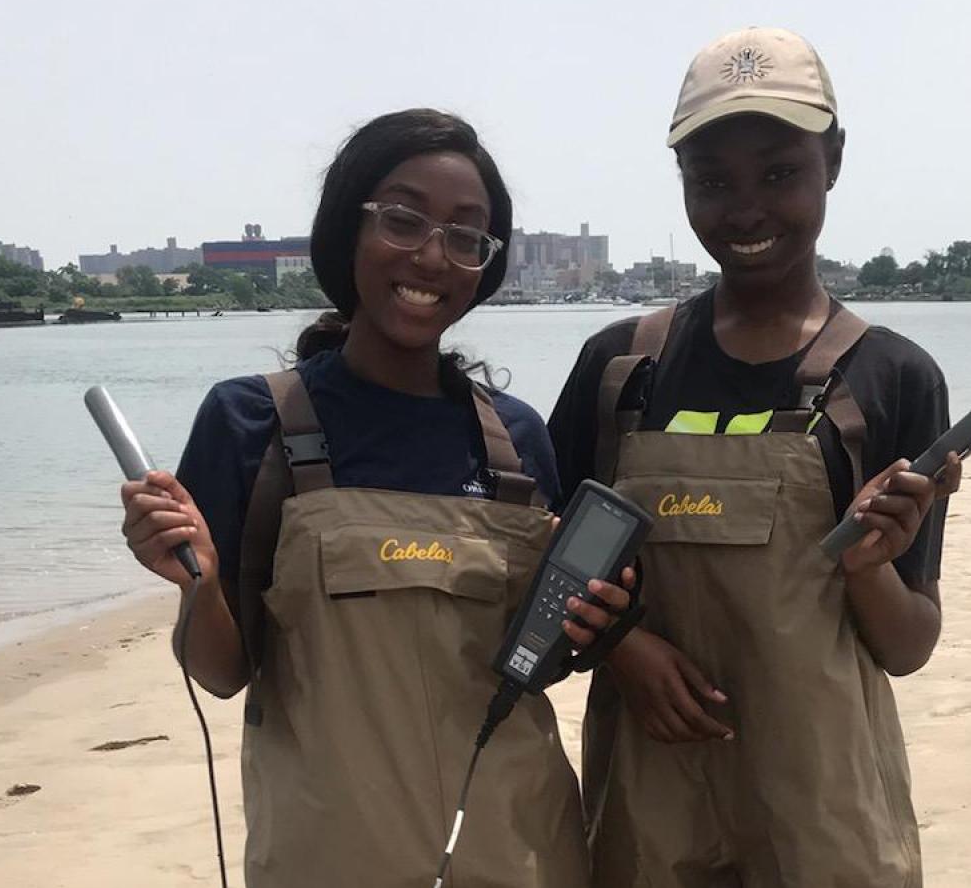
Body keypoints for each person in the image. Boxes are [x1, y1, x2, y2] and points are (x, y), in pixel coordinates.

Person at [119, 109, 633, 888]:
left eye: (467, 235)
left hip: (522, 851)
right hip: (325, 856)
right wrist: (197, 583)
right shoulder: (251, 422)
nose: (432, 256)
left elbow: (538, 669)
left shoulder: (517, 441)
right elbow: (223, 673)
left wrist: (591, 627)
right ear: (347, 230)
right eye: (402, 220)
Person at [547, 29, 963, 888]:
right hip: (647, 806)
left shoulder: (893, 377)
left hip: (824, 808)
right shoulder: (618, 368)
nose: (745, 209)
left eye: (779, 172)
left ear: (833, 162)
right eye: (712, 181)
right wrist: (623, 646)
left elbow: (910, 643)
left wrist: (864, 564)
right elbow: (545, 576)